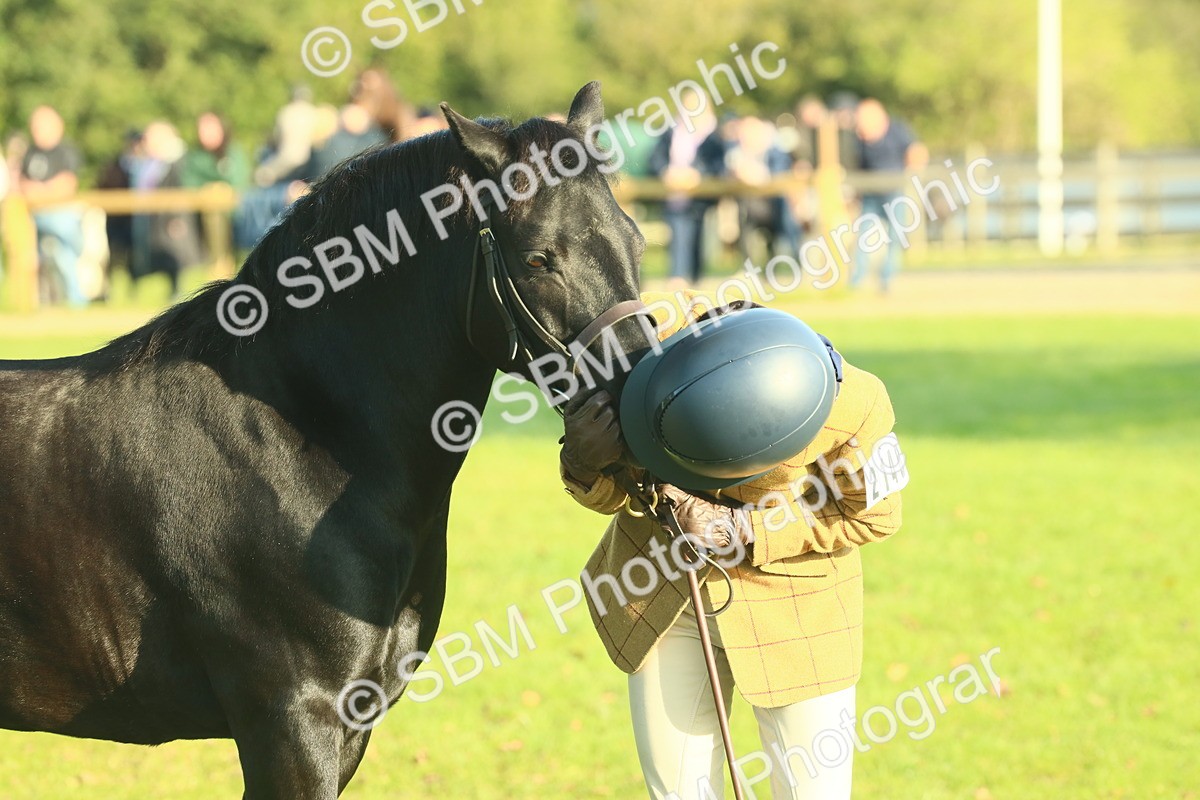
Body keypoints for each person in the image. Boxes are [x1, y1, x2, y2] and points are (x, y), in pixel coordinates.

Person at [560, 292, 906, 799]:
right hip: (664, 598)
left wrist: (743, 530)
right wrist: (582, 463)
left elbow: (877, 516)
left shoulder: (857, 406)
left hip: (797, 619)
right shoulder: (643, 350)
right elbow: (616, 494)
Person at [851, 99, 928, 292]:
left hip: (894, 191)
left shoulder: (897, 130)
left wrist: (912, 172)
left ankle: (886, 279)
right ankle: (857, 279)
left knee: (895, 236)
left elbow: (916, 151)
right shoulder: (859, 138)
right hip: (870, 193)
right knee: (864, 236)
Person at [649, 108, 727, 288]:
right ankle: (678, 277)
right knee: (678, 234)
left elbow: (717, 165)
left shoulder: (713, 136)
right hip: (674, 194)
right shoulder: (670, 133)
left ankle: (695, 278)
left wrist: (698, 174)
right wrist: (666, 172)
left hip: (700, 197)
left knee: (698, 237)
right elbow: (655, 159)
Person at [19, 105, 87, 306]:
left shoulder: (66, 151)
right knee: (33, 260)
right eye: (35, 127)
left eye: (42, 126)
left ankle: (76, 301)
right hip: (34, 215)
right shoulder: (30, 152)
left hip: (60, 213)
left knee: (65, 256)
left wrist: (39, 191)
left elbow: (66, 185)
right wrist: (42, 190)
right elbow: (23, 183)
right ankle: (40, 303)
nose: (37, 131)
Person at [130, 121, 202, 299]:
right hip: (158, 218)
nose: (146, 143)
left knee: (176, 255)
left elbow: (181, 191)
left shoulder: (179, 161)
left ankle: (180, 292)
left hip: (174, 217)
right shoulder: (153, 162)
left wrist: (177, 218)